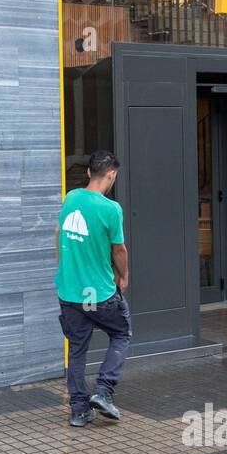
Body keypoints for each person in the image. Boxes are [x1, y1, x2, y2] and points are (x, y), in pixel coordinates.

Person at [55, 151, 130, 428]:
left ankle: (79, 410)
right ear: (111, 175)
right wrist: (124, 276)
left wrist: (63, 269)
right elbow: (119, 249)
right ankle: (104, 391)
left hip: (70, 293)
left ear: (89, 173)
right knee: (121, 333)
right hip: (98, 294)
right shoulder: (111, 209)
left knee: (76, 349)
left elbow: (58, 232)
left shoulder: (71, 198)